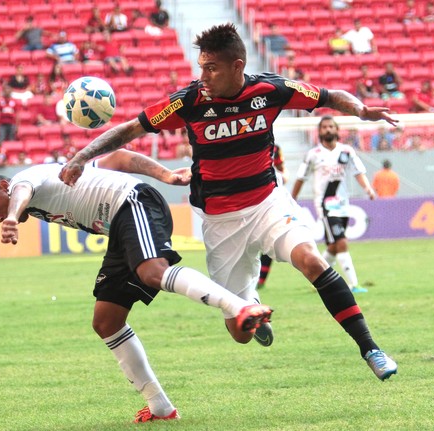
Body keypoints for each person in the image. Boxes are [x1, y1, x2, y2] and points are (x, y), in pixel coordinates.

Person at [59, 23, 398, 381]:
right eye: (201, 67)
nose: (202, 76)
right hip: (221, 222)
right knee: (239, 332)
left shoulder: (271, 90)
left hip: (268, 203)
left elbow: (329, 96)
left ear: (237, 66)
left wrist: (361, 110)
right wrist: (82, 156)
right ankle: (251, 311)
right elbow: (130, 129)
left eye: (211, 68)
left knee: (311, 261)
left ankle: (370, 348)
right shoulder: (188, 101)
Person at [0, 149, 273, 423]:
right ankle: (161, 408)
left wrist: (10, 215)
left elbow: (22, 190)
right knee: (106, 321)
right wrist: (165, 174)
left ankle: (241, 306)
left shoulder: (24, 180)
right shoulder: (50, 183)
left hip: (132, 202)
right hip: (119, 228)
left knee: (153, 272)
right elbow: (118, 159)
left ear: (5, 188)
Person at [292, 116, 376, 294]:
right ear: (319, 131)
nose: (328, 129)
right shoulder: (313, 154)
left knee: (333, 246)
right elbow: (301, 178)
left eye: (331, 126)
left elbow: (358, 172)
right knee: (341, 242)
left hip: (343, 204)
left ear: (337, 130)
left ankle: (316, 278)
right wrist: (292, 199)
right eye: (324, 127)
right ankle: (354, 285)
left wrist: (367, 188)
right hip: (325, 205)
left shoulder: (346, 151)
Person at [257, 144, 288, 291]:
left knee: (268, 244)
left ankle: (260, 280)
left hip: (273, 204)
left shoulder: (276, 148)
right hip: (255, 202)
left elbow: (283, 171)